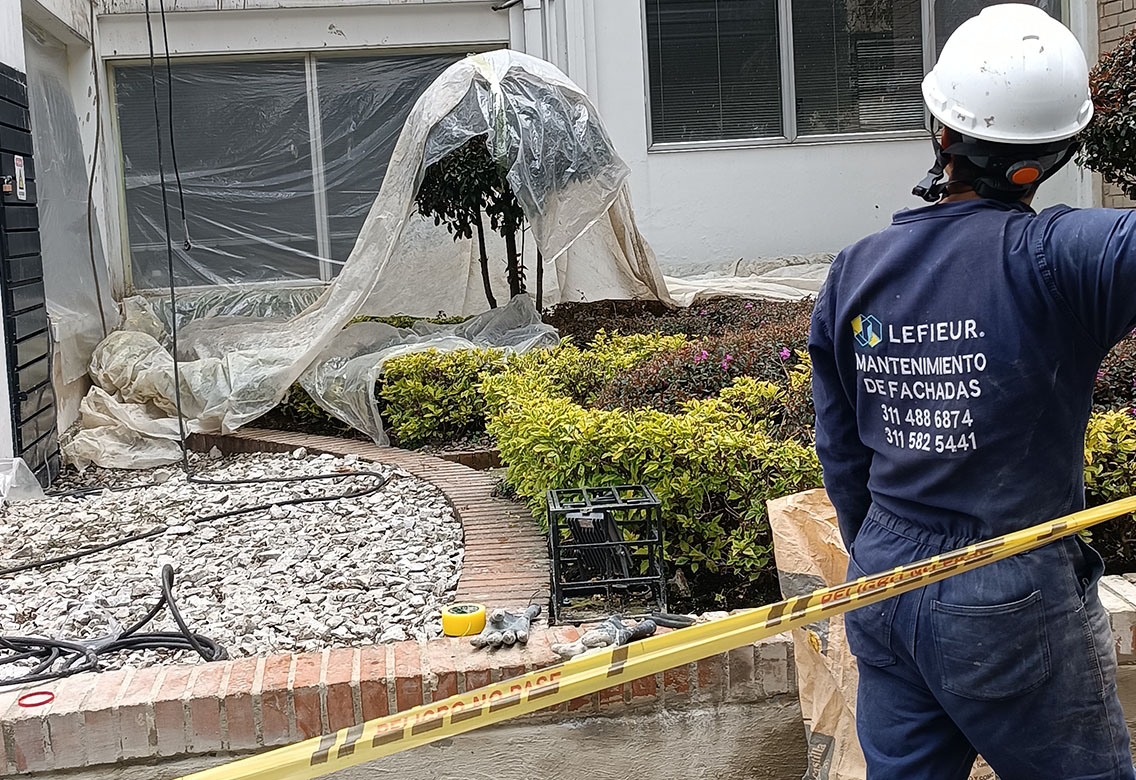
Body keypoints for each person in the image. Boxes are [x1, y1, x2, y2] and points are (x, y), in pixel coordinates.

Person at [808, 4, 1136, 779]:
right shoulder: (1061, 260)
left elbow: (841, 451)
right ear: (1058, 152)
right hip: (1010, 593)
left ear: (941, 131)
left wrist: (884, 558)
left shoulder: (855, 269)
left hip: (885, 576)